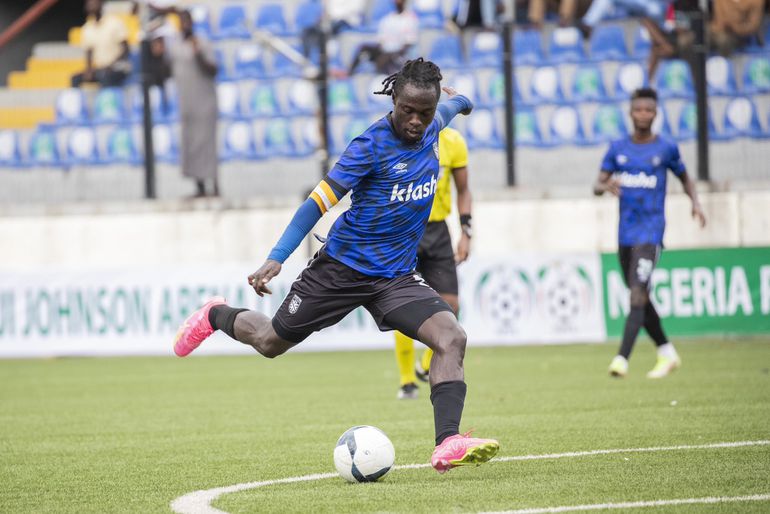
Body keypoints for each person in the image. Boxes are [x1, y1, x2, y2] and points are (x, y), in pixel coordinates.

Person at [173, 58, 499, 474]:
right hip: (340, 271)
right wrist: (277, 257)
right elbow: (316, 204)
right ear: (393, 100)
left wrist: (463, 101)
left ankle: (448, 442)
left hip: (395, 277)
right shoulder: (369, 147)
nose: (416, 121)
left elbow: (456, 105)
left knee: (452, 337)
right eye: (407, 111)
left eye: (425, 112)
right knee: (270, 342)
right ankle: (214, 314)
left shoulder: (434, 125)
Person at [593, 87, 706, 379]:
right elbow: (596, 185)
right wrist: (605, 186)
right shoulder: (618, 148)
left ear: (656, 114)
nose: (643, 114)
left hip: (651, 233)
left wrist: (695, 202)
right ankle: (667, 352)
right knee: (640, 296)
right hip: (625, 235)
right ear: (630, 113)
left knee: (636, 294)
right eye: (638, 109)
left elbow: (685, 177)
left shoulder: (666, 148)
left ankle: (621, 359)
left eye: (649, 110)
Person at [394, 126, 472, 400]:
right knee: (402, 305)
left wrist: (466, 232)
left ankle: (425, 365)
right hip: (405, 229)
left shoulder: (453, 141)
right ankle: (407, 381)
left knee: (451, 304)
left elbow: (463, 189)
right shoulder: (399, 138)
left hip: (438, 231)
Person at [167, 10, 219, 197]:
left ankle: (215, 186)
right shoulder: (175, 46)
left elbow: (213, 69)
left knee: (207, 145)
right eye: (182, 22)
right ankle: (200, 187)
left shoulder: (201, 42)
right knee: (191, 145)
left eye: (187, 21)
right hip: (186, 103)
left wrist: (198, 54)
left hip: (204, 102)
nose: (185, 25)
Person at [348, 0, 418, 76]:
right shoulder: (388, 19)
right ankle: (349, 73)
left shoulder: (410, 19)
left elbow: (409, 43)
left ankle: (379, 77)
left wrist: (395, 52)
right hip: (384, 49)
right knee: (363, 48)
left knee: (383, 59)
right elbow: (381, 40)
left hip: (398, 53)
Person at [71, 0, 131, 88]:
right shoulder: (87, 28)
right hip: (100, 69)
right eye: (89, 3)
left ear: (101, 3)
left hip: (118, 68)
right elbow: (89, 52)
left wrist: (112, 65)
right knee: (75, 78)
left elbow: (126, 49)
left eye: (93, 3)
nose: (90, 5)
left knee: (105, 76)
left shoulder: (114, 22)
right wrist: (89, 69)